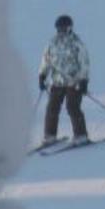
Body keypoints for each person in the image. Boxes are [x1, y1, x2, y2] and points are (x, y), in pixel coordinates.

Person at [38, 14, 90, 144]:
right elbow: (46, 59)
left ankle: (81, 135)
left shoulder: (76, 43)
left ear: (69, 28)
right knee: (52, 108)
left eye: (63, 29)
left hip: (74, 82)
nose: (61, 31)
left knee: (72, 107)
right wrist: (42, 75)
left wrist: (84, 81)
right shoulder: (52, 43)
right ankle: (50, 135)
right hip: (57, 82)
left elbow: (84, 63)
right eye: (59, 29)